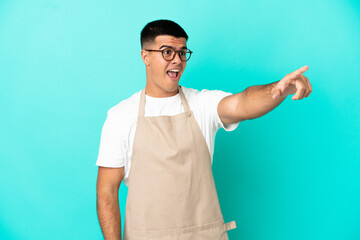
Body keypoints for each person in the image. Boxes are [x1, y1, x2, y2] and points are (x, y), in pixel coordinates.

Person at [95, 19, 312, 240]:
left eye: (182, 53)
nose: (177, 61)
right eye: (167, 52)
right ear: (145, 56)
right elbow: (106, 192)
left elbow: (243, 102)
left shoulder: (202, 104)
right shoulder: (121, 116)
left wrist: (278, 89)